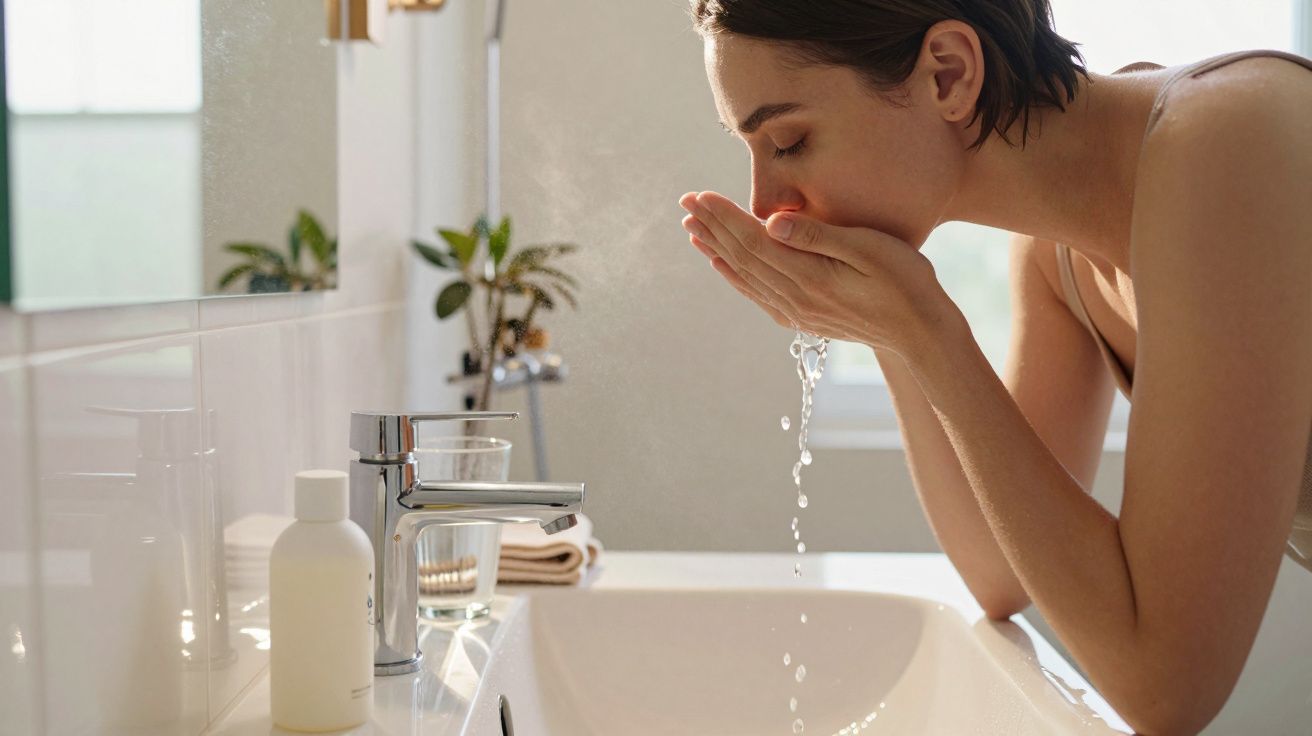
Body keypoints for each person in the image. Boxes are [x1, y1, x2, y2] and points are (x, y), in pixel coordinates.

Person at [677, 1, 1312, 733]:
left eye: (788, 140)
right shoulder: (1056, 251)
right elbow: (999, 571)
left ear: (949, 73)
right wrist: (890, 326)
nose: (763, 203)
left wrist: (933, 333)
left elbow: (1167, 687)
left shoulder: (1229, 145)